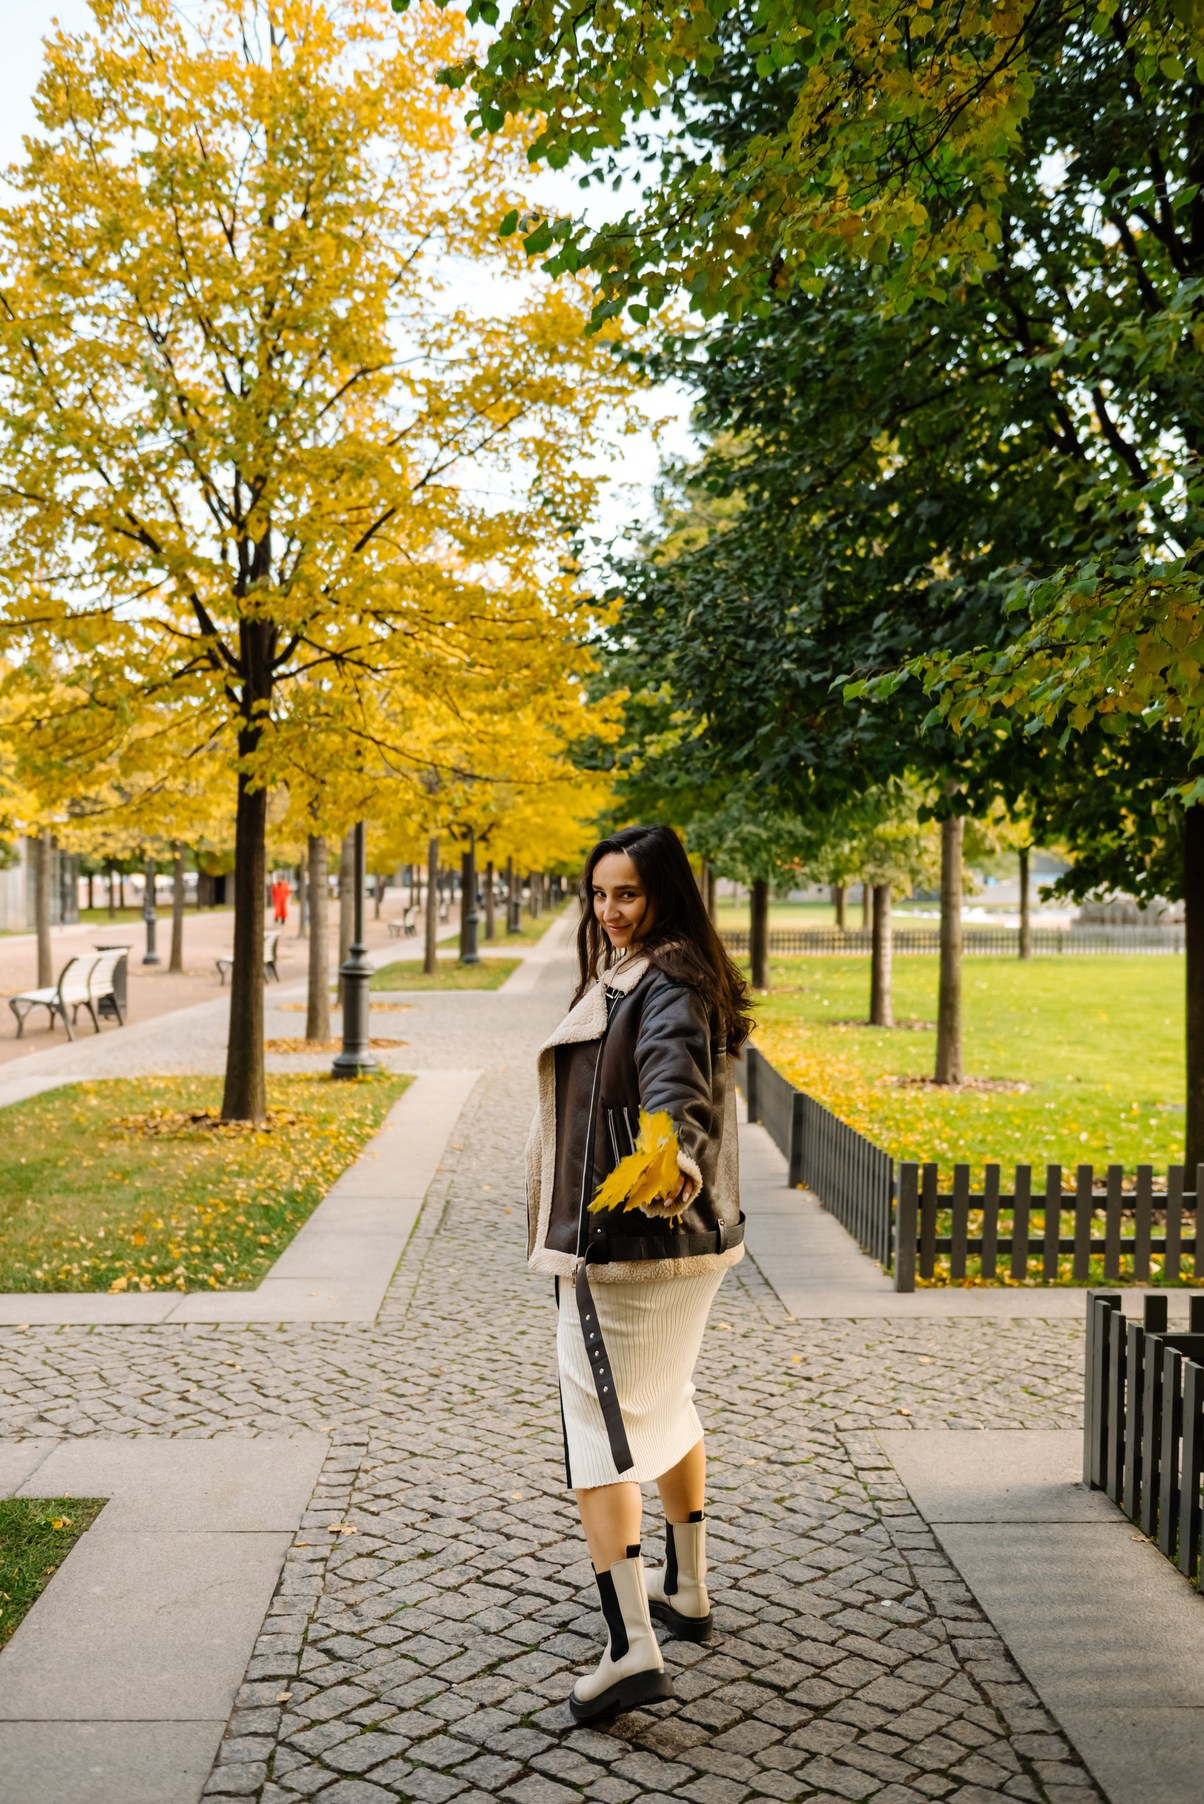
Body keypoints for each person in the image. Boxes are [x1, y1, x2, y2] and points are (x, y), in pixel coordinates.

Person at [526, 824, 752, 1723]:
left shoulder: (666, 987)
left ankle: (630, 1651)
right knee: (668, 1399)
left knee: (598, 1432)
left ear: (663, 894)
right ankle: (686, 1588)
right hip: (677, 1249)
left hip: (630, 1248)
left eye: (628, 894)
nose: (611, 912)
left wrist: (670, 1151)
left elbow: (674, 1081)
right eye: (599, 894)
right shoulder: (669, 971)